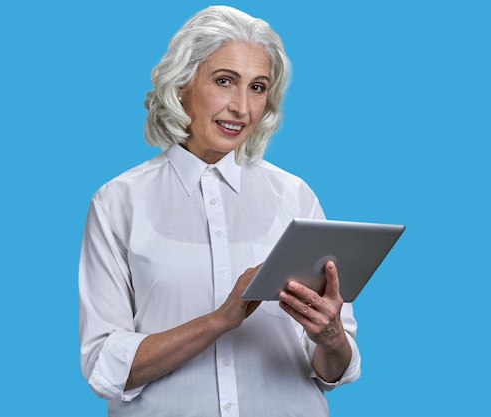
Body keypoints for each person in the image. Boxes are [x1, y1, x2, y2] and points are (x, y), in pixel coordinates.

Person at [79, 5, 360, 416]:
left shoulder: (294, 196)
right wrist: (219, 320)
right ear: (181, 85)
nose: (242, 108)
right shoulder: (118, 202)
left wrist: (332, 336)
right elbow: (105, 366)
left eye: (258, 87)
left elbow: (331, 370)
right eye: (225, 81)